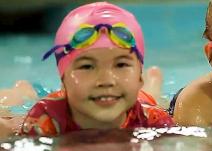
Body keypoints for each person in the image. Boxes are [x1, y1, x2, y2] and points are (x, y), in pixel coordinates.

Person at [15, 2, 173, 136]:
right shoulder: (48, 117)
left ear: (139, 78)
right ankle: (23, 90)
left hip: (141, 100)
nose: (106, 80)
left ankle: (153, 80)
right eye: (87, 66)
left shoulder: (152, 119)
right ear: (63, 79)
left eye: (121, 65)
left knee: (151, 97)